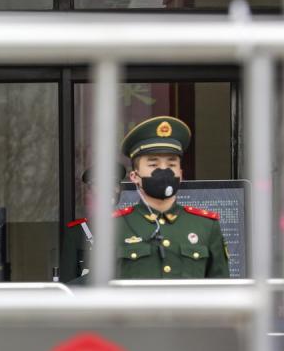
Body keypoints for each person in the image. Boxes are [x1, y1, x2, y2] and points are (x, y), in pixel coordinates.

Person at [115, 115, 229, 279]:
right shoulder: (114, 226)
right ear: (134, 176)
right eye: (153, 164)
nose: (164, 170)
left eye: (171, 164)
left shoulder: (206, 225)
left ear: (180, 174)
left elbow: (222, 291)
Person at [60, 164, 127, 282]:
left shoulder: (133, 226)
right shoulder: (77, 232)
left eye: (114, 184)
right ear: (92, 190)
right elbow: (68, 284)